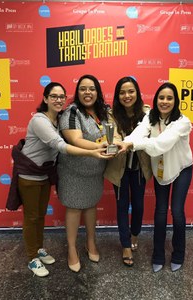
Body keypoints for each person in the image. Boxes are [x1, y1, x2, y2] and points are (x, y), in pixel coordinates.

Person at [6, 82, 108, 277]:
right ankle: (32, 258)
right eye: (54, 96)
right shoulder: (39, 120)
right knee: (32, 217)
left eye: (61, 96)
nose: (58, 100)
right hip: (30, 176)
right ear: (45, 99)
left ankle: (39, 249)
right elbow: (59, 145)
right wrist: (95, 151)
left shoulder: (57, 118)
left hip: (44, 174)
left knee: (40, 215)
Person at [122, 82, 193, 273]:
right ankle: (158, 255)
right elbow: (139, 132)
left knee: (177, 212)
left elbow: (161, 144)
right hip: (161, 170)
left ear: (176, 101)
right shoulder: (150, 117)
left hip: (181, 169)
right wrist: (126, 142)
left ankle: (178, 254)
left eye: (169, 98)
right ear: (156, 100)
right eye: (161, 97)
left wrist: (133, 145)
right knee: (160, 212)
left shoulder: (183, 122)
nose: (165, 101)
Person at [57, 74, 111, 272]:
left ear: (98, 92)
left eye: (92, 89)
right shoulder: (71, 112)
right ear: (77, 92)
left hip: (95, 172)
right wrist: (101, 147)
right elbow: (75, 139)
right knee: (74, 207)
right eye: (83, 89)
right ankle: (72, 249)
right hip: (74, 172)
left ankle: (91, 242)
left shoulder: (104, 111)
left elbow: (117, 129)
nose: (87, 93)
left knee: (90, 205)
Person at [104, 77, 152, 267]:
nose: (127, 96)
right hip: (119, 168)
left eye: (131, 91)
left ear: (137, 93)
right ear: (117, 96)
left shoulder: (147, 113)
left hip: (139, 167)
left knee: (139, 205)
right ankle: (125, 244)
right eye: (122, 92)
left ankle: (134, 234)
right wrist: (116, 141)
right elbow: (112, 134)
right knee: (122, 206)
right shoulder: (111, 114)